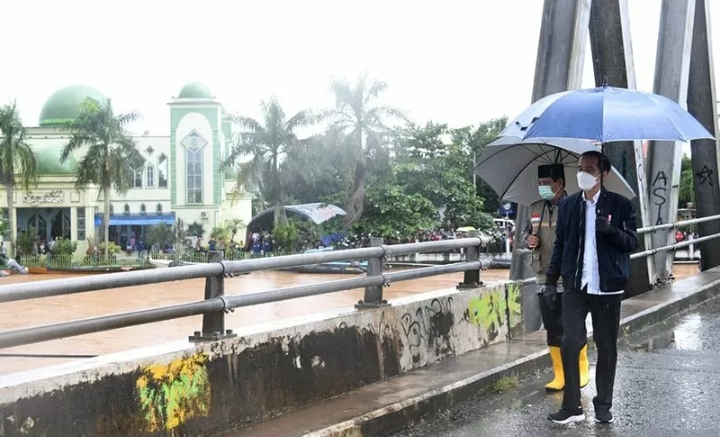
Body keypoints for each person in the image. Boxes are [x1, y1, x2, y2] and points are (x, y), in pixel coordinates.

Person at [545, 151, 638, 424]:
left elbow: (633, 243)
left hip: (607, 287)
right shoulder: (570, 205)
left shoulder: (621, 205)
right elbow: (561, 245)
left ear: (603, 174)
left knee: (607, 347)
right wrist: (551, 281)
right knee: (570, 342)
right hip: (576, 285)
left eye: (589, 168)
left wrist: (610, 231)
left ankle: (603, 404)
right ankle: (572, 406)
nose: (582, 173)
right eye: (580, 167)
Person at [521, 164, 590, 392]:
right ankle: (560, 374)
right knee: (552, 326)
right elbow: (524, 235)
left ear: (560, 183)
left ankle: (581, 369)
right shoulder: (535, 208)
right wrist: (528, 240)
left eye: (547, 184)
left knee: (573, 325)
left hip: (569, 276)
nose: (542, 188)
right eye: (540, 183)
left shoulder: (575, 206)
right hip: (543, 276)